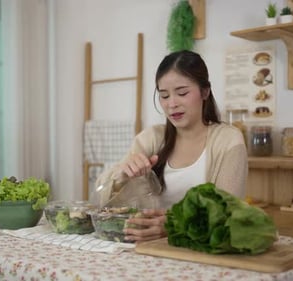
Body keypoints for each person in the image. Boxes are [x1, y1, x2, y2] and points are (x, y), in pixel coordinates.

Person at [95, 50, 248, 242]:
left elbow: (228, 213)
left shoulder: (228, 140)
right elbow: (101, 200)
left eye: (182, 93)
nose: (172, 104)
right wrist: (123, 175)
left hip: (199, 253)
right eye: (164, 96)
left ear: (205, 92)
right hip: (145, 249)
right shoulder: (151, 138)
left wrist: (173, 225)